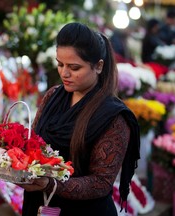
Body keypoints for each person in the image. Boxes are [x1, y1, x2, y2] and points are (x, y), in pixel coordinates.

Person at [17, 22, 140, 216]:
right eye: (60, 64)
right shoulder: (53, 96)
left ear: (98, 66)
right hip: (39, 204)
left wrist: (51, 184)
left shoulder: (114, 117)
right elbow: (34, 145)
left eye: (74, 67)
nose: (64, 73)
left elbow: (101, 183)